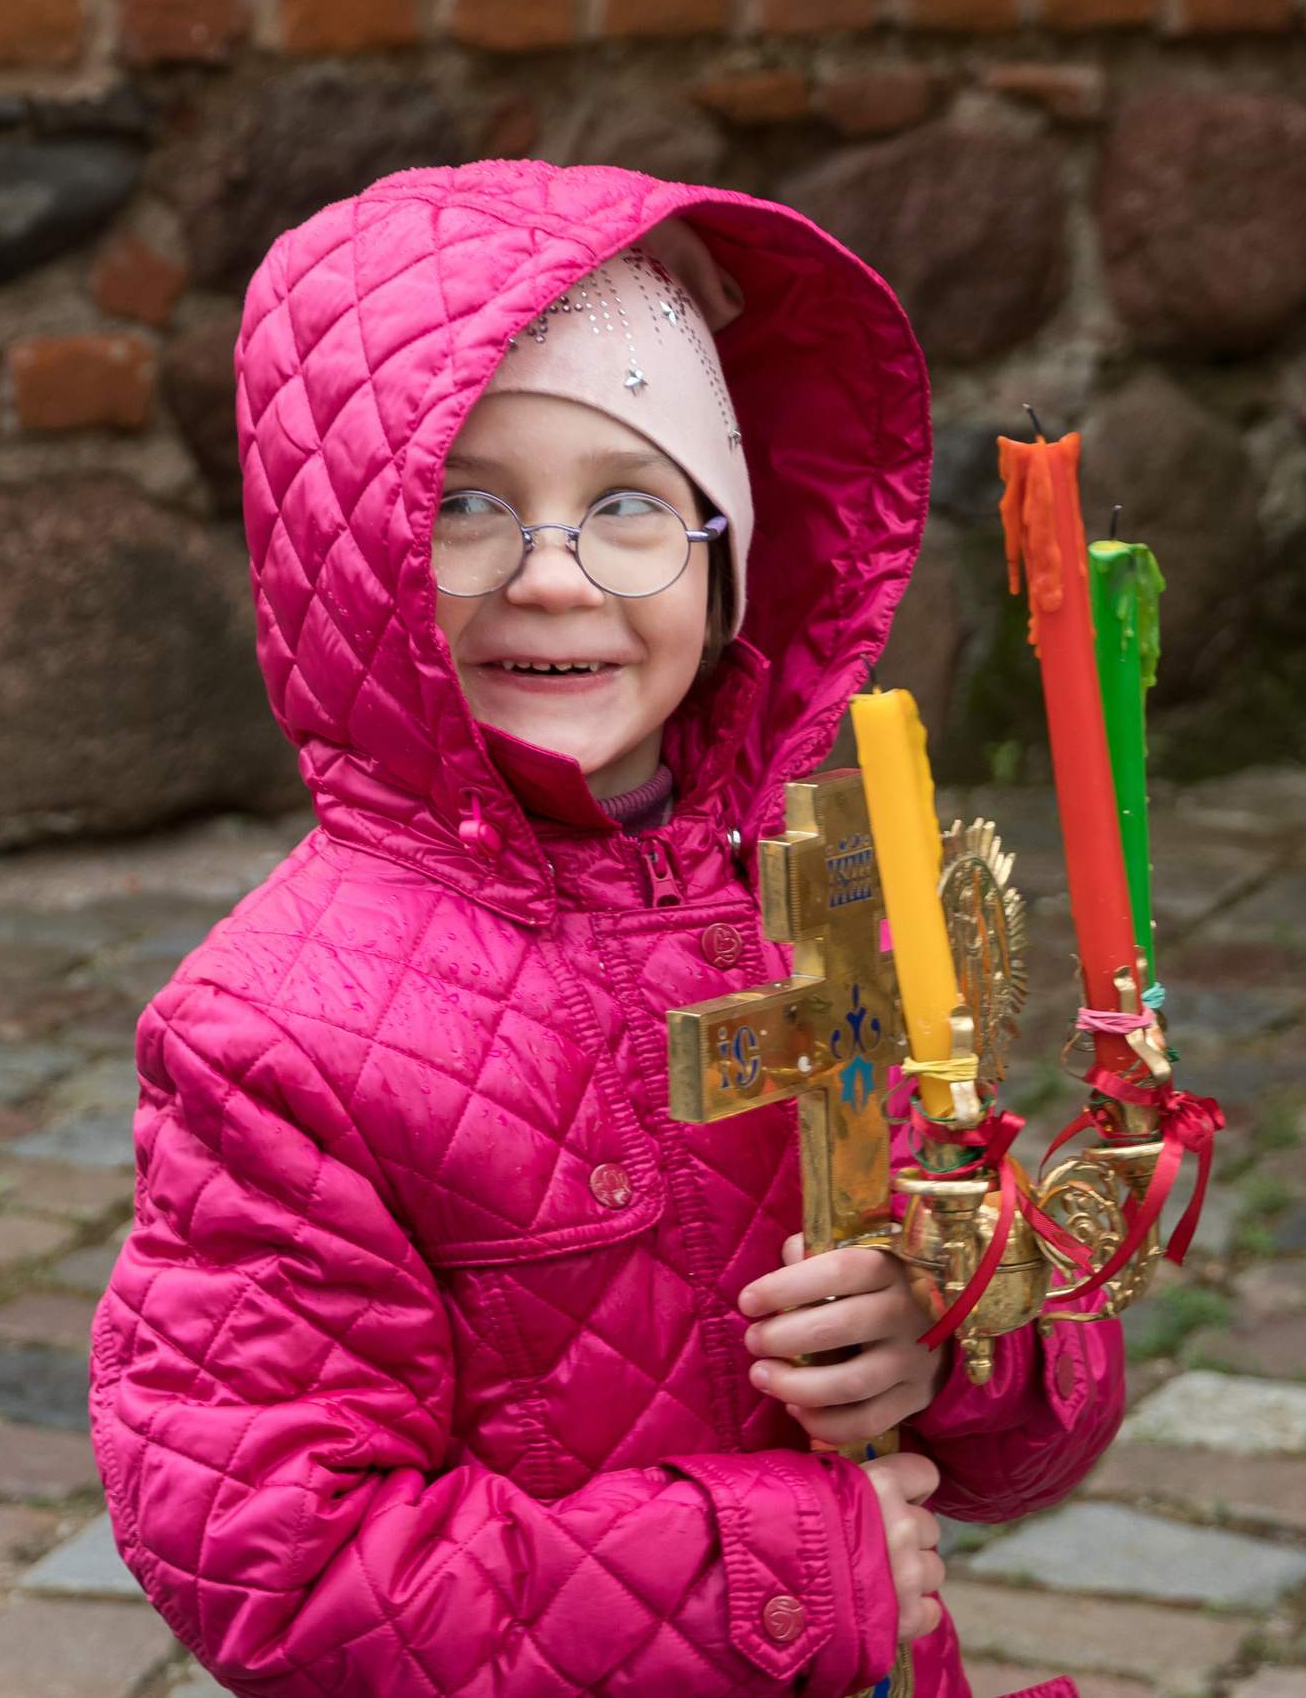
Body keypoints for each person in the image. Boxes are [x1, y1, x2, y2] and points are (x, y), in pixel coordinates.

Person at [92, 161, 1124, 1698]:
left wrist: (953, 1335)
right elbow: (281, 1571)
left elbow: (1038, 1358)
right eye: (467, 508)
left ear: (725, 561)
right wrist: (786, 1570)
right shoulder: (275, 1037)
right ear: (351, 561)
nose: (554, 577)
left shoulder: (821, 911)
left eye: (630, 506)